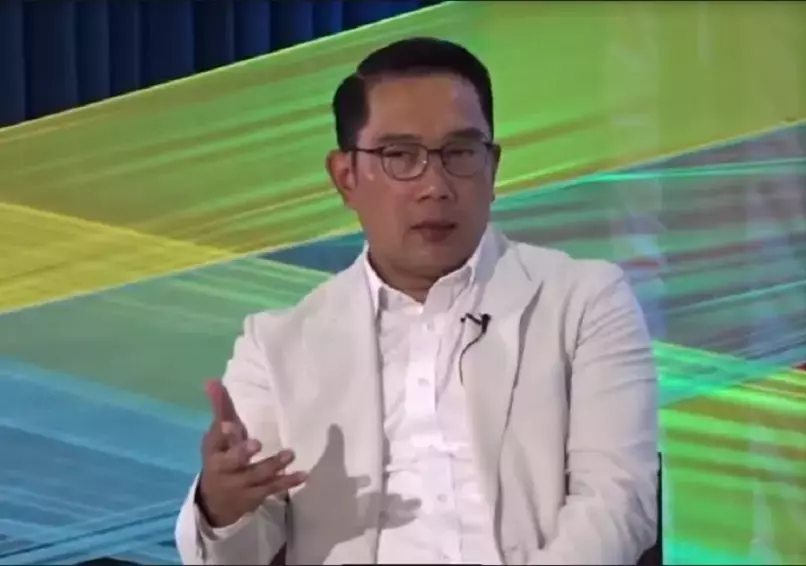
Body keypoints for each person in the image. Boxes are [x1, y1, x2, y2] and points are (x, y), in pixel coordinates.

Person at [175, 37, 659, 565]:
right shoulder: (277, 345)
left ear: (493, 167)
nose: (435, 186)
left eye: (460, 153)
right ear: (345, 177)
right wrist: (222, 508)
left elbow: (617, 501)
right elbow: (235, 555)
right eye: (400, 156)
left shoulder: (583, 302)